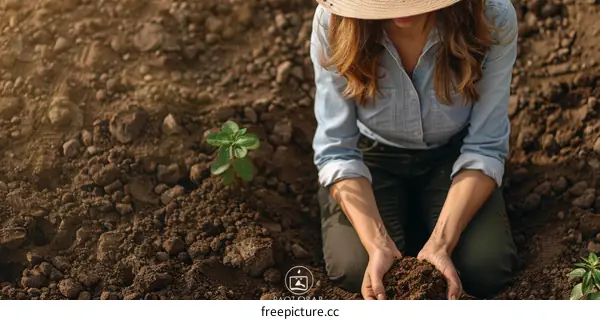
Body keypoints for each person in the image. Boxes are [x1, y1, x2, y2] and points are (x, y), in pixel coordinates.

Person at [310, 0, 519, 300]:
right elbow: (337, 151)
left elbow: (485, 144)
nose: (400, 8)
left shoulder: (491, 16)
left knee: (485, 268)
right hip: (372, 157)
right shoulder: (334, 21)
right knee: (356, 270)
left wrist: (441, 243)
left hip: (453, 156)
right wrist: (377, 243)